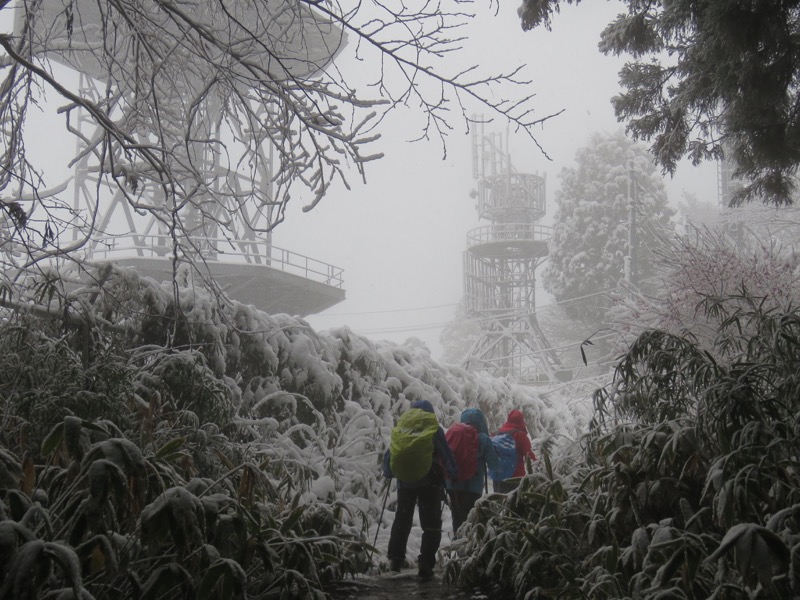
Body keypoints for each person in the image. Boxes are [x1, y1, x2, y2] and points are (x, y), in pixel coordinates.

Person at [383, 400, 458, 580]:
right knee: (431, 523)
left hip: (404, 483)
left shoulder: (403, 427)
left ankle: (395, 559)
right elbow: (446, 454)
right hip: (428, 483)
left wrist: (389, 472)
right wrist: (453, 474)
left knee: (402, 519)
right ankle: (425, 562)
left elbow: (390, 453)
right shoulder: (433, 428)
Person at [445, 407, 499, 536]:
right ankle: (469, 546)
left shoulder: (453, 433)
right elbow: (495, 465)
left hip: (453, 484)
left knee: (457, 517)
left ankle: (458, 544)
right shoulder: (484, 439)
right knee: (471, 518)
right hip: (473, 487)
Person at [492, 409, 537, 493]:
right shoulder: (520, 435)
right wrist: (538, 463)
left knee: (499, 501)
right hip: (516, 475)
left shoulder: (497, 433)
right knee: (513, 503)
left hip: (498, 475)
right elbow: (529, 455)